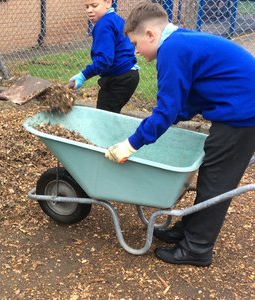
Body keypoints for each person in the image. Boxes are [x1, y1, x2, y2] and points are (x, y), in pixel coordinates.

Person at [105, 1, 255, 266]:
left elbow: (165, 111)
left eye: (136, 43)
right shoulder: (181, 42)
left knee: (217, 181)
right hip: (238, 108)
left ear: (150, 34)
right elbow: (191, 97)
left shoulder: (172, 50)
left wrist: (130, 145)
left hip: (243, 116)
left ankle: (197, 249)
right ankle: (189, 230)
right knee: (211, 174)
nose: (135, 51)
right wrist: (170, 117)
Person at [69, 0, 139, 113]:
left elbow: (104, 61)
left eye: (94, 5)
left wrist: (83, 75)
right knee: (110, 114)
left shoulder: (103, 25)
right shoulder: (116, 19)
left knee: (103, 118)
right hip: (130, 75)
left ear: (108, 3)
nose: (89, 10)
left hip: (119, 79)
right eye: (86, 7)